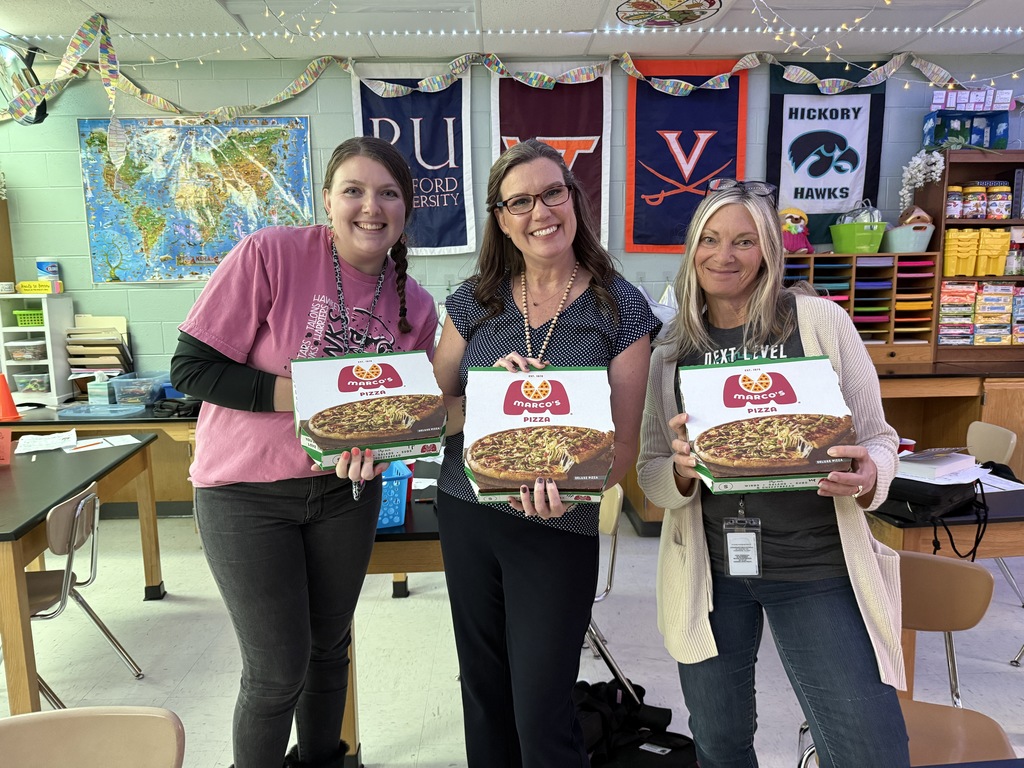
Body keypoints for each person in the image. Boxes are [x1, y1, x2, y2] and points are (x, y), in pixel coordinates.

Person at [169, 136, 438, 768]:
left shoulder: (415, 304)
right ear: (327, 201)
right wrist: (314, 396)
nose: (370, 207)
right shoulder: (272, 255)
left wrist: (385, 440)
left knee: (328, 648)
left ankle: (323, 759)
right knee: (274, 671)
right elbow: (192, 368)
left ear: (405, 210)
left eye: (388, 193)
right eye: (353, 190)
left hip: (346, 493)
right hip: (245, 493)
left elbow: (410, 408)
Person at [636, 178, 910, 768]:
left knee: (871, 750)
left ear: (770, 250)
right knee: (720, 742)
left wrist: (869, 474)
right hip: (711, 572)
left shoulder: (817, 323)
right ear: (691, 249)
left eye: (744, 241)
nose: (723, 256)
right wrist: (682, 473)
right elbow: (651, 473)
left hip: (816, 564)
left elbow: (881, 440)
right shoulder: (672, 349)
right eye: (708, 240)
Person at [431, 138, 662, 768]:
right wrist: (490, 398)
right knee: (483, 691)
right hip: (468, 509)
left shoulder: (621, 308)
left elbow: (620, 450)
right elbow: (428, 413)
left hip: (559, 522)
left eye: (552, 193)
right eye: (520, 201)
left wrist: (569, 476)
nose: (541, 212)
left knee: (541, 705)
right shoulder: (473, 302)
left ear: (574, 199)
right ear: (501, 219)